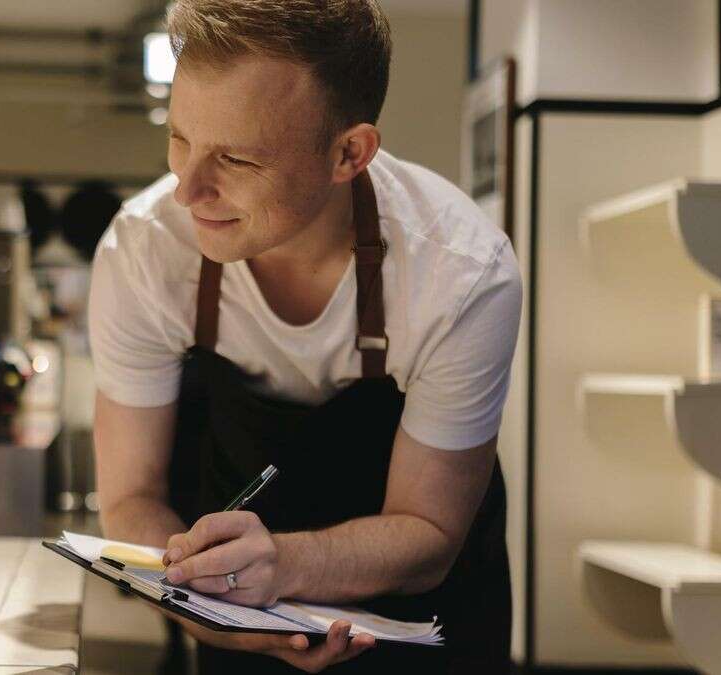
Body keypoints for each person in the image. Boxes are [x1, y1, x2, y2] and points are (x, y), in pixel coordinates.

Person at [88, 1, 522, 673]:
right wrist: (212, 614)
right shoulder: (144, 252)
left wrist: (284, 563)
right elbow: (129, 498)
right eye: (179, 139)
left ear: (349, 153)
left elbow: (429, 533)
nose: (188, 190)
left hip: (423, 620)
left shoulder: (461, 274)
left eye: (234, 157)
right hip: (234, 613)